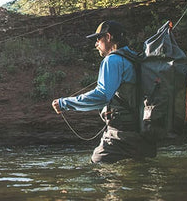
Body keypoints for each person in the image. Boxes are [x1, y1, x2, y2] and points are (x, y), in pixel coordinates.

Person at [52, 20, 156, 163]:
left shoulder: (112, 60)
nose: (96, 44)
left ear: (108, 37)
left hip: (120, 134)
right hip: (143, 132)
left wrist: (65, 103)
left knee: (97, 168)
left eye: (98, 39)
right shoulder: (135, 58)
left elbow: (101, 96)